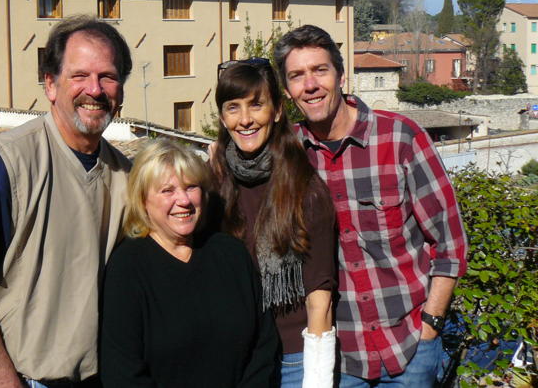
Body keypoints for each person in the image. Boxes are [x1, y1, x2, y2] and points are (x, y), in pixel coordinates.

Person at [0, 15, 133, 388]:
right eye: (79, 75)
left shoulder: (126, 176)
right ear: (50, 85)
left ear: (120, 90)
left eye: (107, 76)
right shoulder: (4, 164)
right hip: (11, 380)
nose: (95, 89)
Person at [272, 25, 468, 387]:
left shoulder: (401, 137)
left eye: (320, 70)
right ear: (287, 90)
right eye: (297, 76)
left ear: (341, 76)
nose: (310, 85)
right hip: (341, 361)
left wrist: (431, 324)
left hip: (411, 349)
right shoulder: (288, 155)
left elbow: (450, 243)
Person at [100, 139, 279, 388]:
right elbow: (122, 371)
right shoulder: (127, 268)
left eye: (191, 187)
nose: (183, 200)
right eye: (167, 190)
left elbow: (264, 344)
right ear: (142, 200)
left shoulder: (231, 254)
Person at [211, 57, 337, 388]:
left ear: (278, 110)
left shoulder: (305, 190)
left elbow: (319, 298)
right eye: (233, 108)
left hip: (292, 359)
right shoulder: (213, 184)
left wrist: (316, 380)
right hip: (236, 356)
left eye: (256, 105)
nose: (245, 120)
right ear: (222, 118)